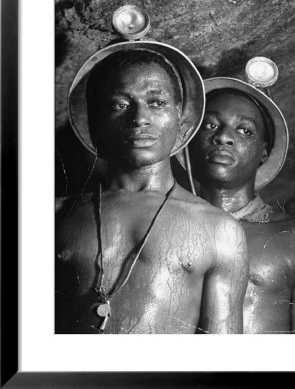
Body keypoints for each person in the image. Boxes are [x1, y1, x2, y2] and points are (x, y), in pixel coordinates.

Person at [55, 43, 248, 334]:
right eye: (120, 104)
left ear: (181, 121)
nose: (139, 118)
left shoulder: (219, 229)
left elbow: (223, 361)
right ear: (97, 124)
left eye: (156, 103)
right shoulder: (55, 214)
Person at [185, 76, 295, 334]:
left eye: (245, 130)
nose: (223, 137)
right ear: (189, 142)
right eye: (210, 125)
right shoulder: (166, 227)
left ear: (264, 152)